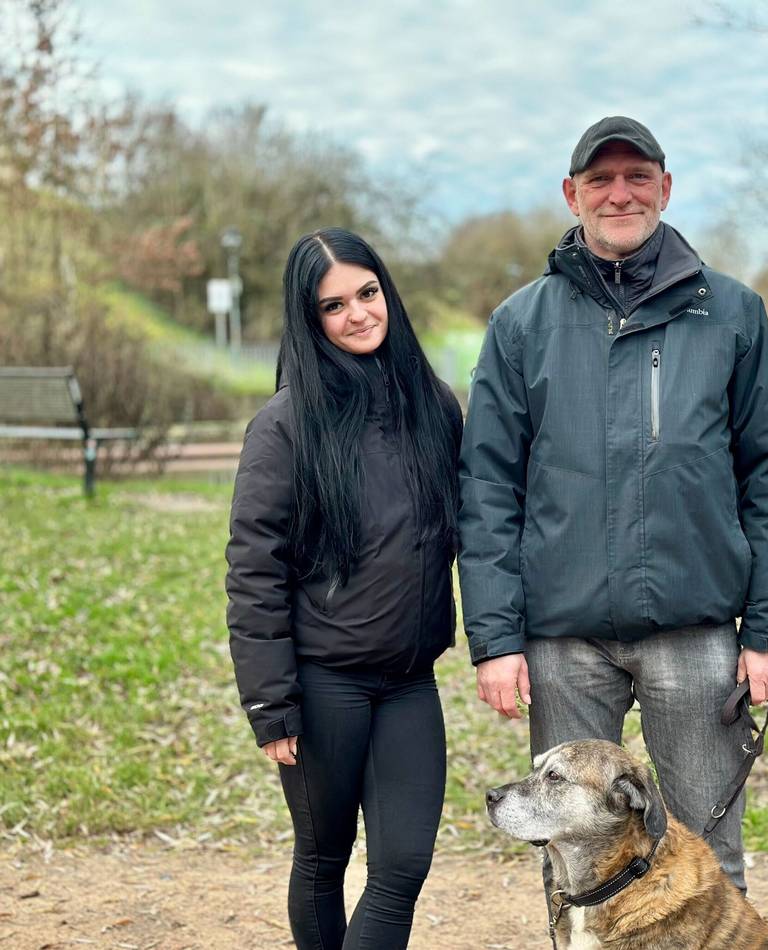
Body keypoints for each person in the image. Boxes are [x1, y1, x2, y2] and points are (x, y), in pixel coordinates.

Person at [458, 116, 768, 895]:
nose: (620, 194)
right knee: (573, 859)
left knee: (706, 857)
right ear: (571, 194)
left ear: (666, 187)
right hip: (562, 640)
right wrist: (494, 639)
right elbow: (485, 489)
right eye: (601, 180)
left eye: (637, 177)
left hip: (696, 636)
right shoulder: (521, 324)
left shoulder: (732, 315)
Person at [225, 228, 462, 950]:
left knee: (402, 868)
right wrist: (271, 702)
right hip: (322, 685)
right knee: (324, 862)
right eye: (335, 305)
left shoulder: (436, 408)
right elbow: (253, 567)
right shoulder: (286, 426)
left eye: (368, 292)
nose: (359, 313)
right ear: (310, 320)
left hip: (410, 683)